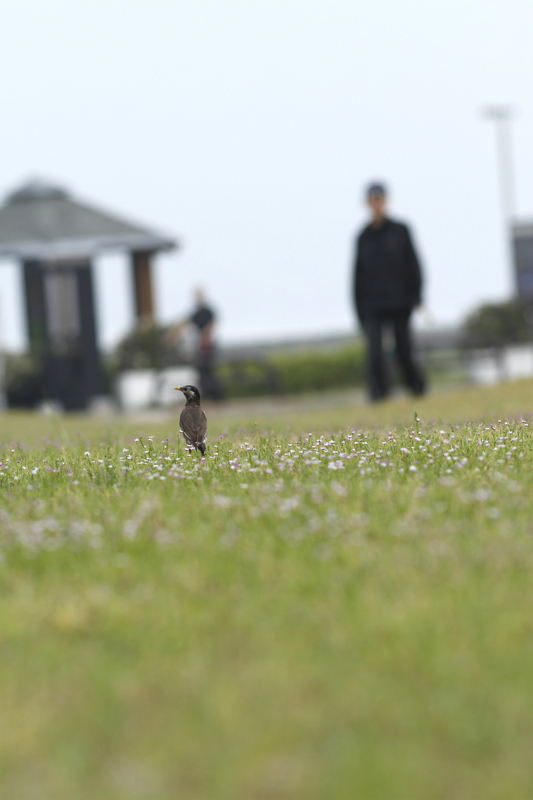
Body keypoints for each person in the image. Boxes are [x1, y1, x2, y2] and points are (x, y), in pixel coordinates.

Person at [353, 183, 426, 401]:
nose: (376, 203)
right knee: (374, 353)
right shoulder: (363, 237)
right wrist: (359, 309)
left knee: (403, 349)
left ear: (386, 200)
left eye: (380, 198)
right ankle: (379, 395)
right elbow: (357, 275)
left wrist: (416, 296)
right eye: (372, 199)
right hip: (373, 305)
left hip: (400, 302)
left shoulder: (400, 230)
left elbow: (414, 264)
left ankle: (417, 389)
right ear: (367, 203)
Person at [168, 289, 223, 401]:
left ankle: (216, 397)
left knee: (207, 370)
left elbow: (211, 324)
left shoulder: (208, 311)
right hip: (201, 346)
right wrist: (172, 336)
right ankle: (209, 397)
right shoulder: (196, 313)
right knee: (201, 371)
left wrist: (206, 336)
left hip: (208, 346)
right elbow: (184, 323)